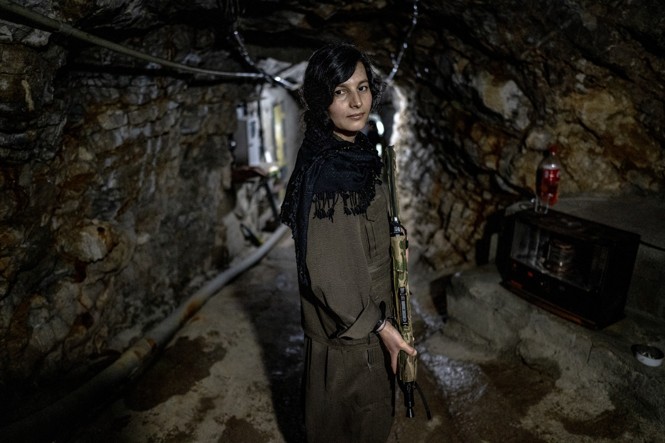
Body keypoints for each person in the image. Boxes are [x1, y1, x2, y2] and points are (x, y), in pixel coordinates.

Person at [280, 42, 417, 443]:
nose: (357, 103)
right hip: (353, 339)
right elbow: (328, 277)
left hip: (368, 324)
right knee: (353, 426)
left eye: (362, 87)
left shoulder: (354, 152)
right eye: (340, 92)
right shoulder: (329, 174)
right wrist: (383, 328)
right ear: (321, 100)